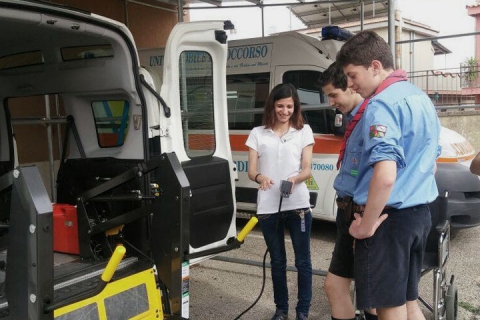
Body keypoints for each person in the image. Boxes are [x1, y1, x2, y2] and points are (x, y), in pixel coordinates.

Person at [336, 30, 441, 320]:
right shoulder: (421, 98)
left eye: (353, 75)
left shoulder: (380, 105)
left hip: (389, 221)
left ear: (375, 66)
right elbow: (431, 164)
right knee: (409, 302)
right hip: (419, 216)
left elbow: (384, 175)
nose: (351, 84)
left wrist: (366, 225)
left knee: (389, 307)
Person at [246, 83, 314, 320]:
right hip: (268, 207)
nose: (284, 111)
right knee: (277, 262)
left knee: (303, 262)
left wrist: (296, 178)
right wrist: (260, 177)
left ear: (295, 107)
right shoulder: (257, 133)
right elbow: (251, 171)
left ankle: (303, 311)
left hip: (298, 206)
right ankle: (281, 309)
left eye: (289, 106)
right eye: (280, 106)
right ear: (272, 106)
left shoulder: (304, 131)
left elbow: (307, 169)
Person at [317, 62, 377, 320]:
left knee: (373, 296)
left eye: (334, 94)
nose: (330, 102)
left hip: (362, 215)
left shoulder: (373, 117)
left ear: (351, 87)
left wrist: (369, 217)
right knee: (335, 286)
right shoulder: (353, 120)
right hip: (347, 212)